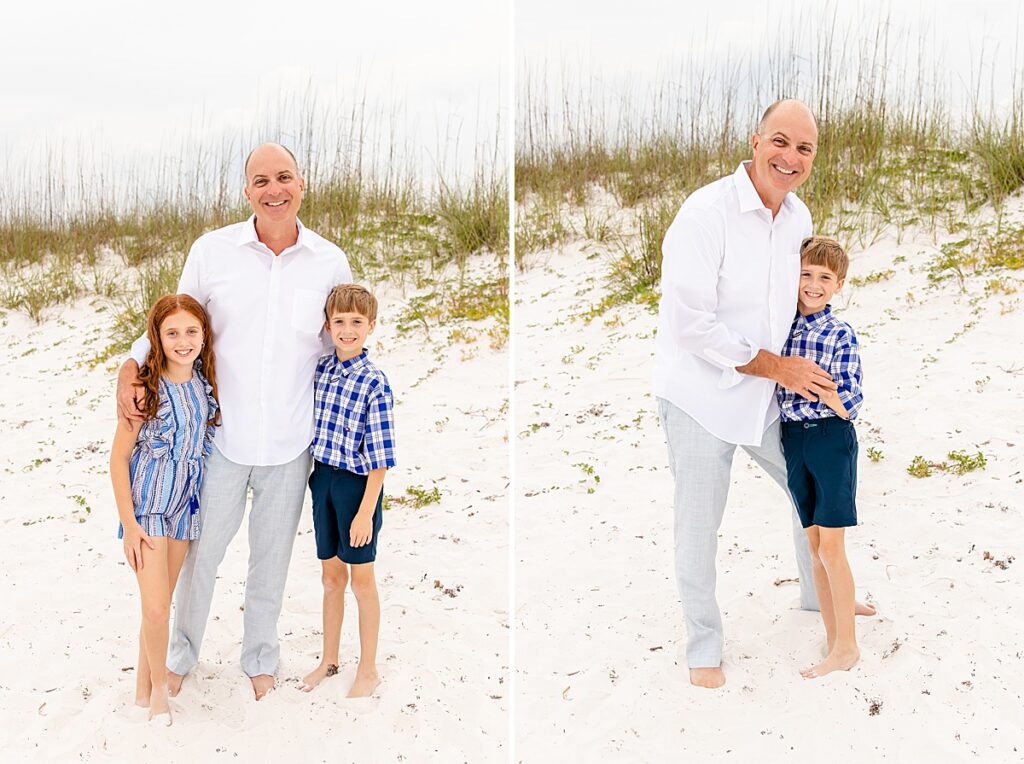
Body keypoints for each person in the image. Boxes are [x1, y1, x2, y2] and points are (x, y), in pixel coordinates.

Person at [116, 143, 353, 701]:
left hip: (291, 443)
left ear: (302, 183)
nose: (275, 189)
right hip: (219, 440)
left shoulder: (329, 261)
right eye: (262, 180)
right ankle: (180, 654)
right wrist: (131, 363)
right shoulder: (212, 250)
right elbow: (174, 319)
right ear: (247, 191)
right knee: (200, 557)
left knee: (271, 561)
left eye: (285, 177)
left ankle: (260, 657)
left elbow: (340, 343)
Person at [653, 99, 874, 690]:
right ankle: (703, 645)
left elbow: (799, 300)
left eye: (805, 148)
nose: (791, 157)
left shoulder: (798, 218)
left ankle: (822, 596)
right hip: (700, 396)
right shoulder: (705, 214)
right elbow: (689, 325)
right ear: (755, 140)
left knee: (808, 495)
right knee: (699, 524)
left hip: (769, 396)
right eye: (781, 141)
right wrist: (780, 368)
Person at [110, 294, 220, 723]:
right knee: (155, 608)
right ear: (156, 337)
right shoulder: (144, 390)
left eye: (191, 331)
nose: (183, 340)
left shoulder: (203, 386)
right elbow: (118, 459)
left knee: (160, 603)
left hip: (184, 509)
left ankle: (141, 686)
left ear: (204, 335)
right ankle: (158, 695)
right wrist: (129, 524)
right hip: (149, 510)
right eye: (172, 332)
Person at [298, 284, 396, 698]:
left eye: (357, 322)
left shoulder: (374, 383)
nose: (348, 329)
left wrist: (363, 513)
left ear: (371, 327)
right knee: (331, 577)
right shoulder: (321, 370)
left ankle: (368, 668)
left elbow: (380, 461)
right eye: (339, 322)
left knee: (362, 581)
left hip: (358, 487)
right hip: (323, 480)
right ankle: (329, 658)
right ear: (328, 325)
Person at [777, 236, 864, 678]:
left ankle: (847, 648)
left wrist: (817, 387)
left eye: (824, 278)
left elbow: (851, 400)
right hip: (794, 439)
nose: (813, 284)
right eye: (806, 274)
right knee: (813, 544)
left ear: (839, 285)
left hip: (831, 438)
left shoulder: (840, 332)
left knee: (832, 546)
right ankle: (834, 638)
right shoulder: (782, 327)